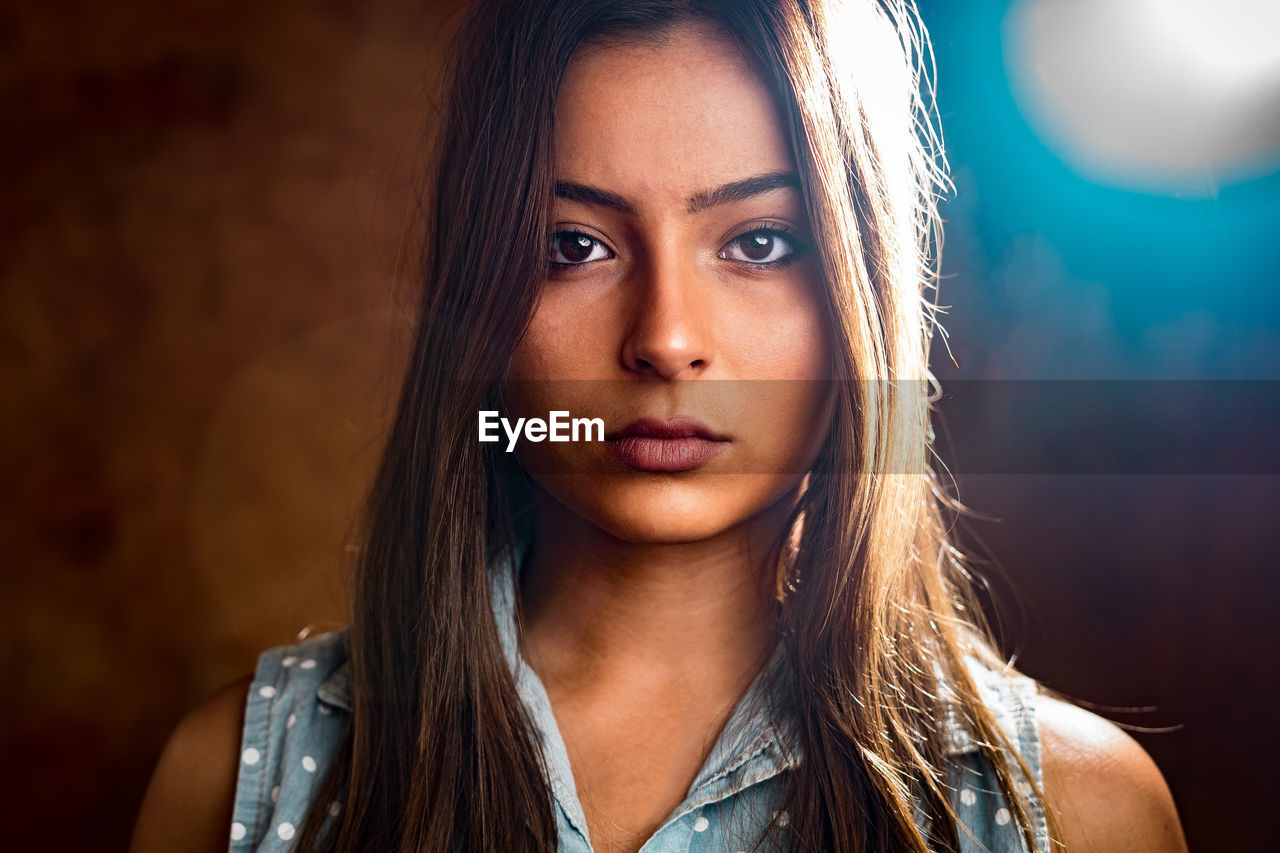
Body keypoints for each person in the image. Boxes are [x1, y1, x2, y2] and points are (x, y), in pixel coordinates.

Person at [130, 0, 1189, 851]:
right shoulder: (239, 785)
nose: (666, 338)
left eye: (762, 242)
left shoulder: (1069, 814)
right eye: (575, 246)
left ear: (858, 293)